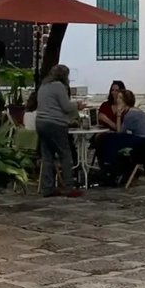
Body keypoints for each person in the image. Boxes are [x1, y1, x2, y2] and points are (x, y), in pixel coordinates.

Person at [35, 64, 81, 197]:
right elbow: (66, 107)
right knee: (65, 154)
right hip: (55, 123)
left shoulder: (43, 86)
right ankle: (69, 187)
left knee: (47, 156)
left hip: (41, 122)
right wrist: (77, 105)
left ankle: (47, 188)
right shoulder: (59, 87)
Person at [98, 89, 145, 186]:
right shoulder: (132, 111)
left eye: (120, 98)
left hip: (141, 141)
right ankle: (113, 168)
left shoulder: (131, 114)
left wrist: (118, 115)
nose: (117, 100)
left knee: (109, 140)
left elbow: (120, 131)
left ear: (125, 101)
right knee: (110, 138)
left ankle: (111, 168)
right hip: (141, 138)